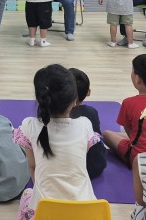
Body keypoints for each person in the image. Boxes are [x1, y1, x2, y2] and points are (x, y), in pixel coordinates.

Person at [14, 65, 97, 219]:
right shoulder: (85, 124)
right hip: (85, 210)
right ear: (74, 100)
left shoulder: (29, 125)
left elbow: (33, 167)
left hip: (46, 212)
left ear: (41, 99)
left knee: (27, 194)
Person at [103, 54, 146, 165]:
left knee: (107, 134)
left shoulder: (128, 102)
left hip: (137, 158)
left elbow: (130, 132)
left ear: (137, 79)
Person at [69, 68, 107, 179]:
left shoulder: (55, 113)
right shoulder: (91, 112)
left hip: (67, 170)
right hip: (94, 167)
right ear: (88, 92)